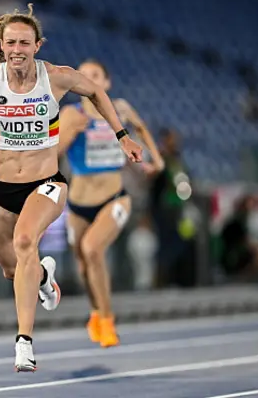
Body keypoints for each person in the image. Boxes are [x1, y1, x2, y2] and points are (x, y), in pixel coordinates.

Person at [0, 4, 143, 372]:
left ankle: (24, 343)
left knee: (25, 241)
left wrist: (122, 135)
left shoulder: (57, 78)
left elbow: (96, 93)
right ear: (1, 42)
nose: (17, 49)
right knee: (12, 270)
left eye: (24, 43)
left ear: (37, 45)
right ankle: (43, 276)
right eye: (10, 42)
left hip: (45, 183)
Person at [58, 59, 165, 348]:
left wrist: (156, 159)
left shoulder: (120, 110)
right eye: (83, 75)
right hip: (78, 203)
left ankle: (107, 320)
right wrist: (70, 134)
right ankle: (96, 312)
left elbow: (140, 128)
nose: (88, 79)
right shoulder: (71, 114)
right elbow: (52, 153)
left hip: (114, 197)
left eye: (95, 75)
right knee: (82, 265)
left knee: (92, 249)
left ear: (106, 83)